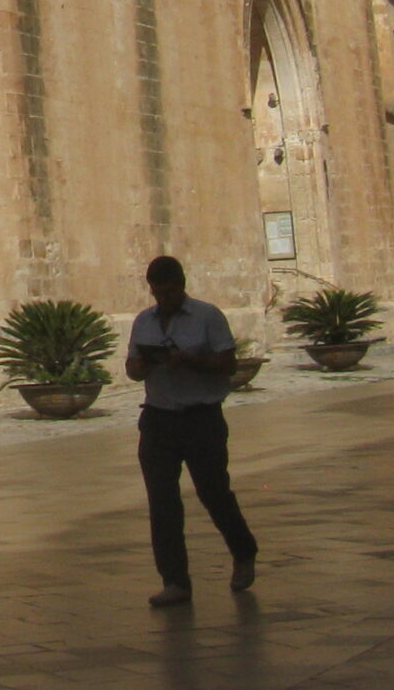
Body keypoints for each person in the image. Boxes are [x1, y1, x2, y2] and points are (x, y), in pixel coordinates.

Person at [125, 255, 258, 607]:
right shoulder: (143, 322)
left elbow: (227, 363)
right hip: (158, 418)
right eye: (158, 293)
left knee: (213, 492)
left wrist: (189, 361)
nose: (164, 299)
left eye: (170, 292)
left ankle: (243, 550)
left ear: (182, 285)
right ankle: (174, 580)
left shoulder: (207, 316)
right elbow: (132, 368)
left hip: (201, 418)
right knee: (162, 501)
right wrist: (141, 364)